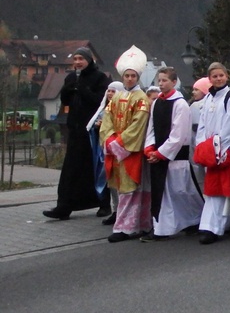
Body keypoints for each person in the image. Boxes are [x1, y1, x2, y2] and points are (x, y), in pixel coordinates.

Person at [43, 47, 111, 221]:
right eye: (75, 59)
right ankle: (64, 206)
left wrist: (83, 90)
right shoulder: (71, 77)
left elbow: (100, 102)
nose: (78, 62)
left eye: (81, 58)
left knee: (96, 167)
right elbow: (66, 101)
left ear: (89, 60)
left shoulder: (100, 78)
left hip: (93, 131)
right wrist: (67, 90)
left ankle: (103, 203)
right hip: (75, 130)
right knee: (70, 170)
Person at [141, 67, 203, 242]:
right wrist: (149, 148)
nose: (161, 84)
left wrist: (161, 153)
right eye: (159, 80)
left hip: (175, 156)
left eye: (164, 80)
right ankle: (162, 228)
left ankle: (196, 219)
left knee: (182, 192)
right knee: (164, 194)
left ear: (174, 82)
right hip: (159, 154)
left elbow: (179, 134)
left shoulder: (180, 104)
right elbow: (151, 128)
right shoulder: (157, 103)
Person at [194, 62, 230, 244]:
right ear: (209, 79)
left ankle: (212, 227)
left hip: (225, 151)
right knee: (228, 188)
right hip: (210, 149)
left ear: (226, 76)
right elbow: (202, 124)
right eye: (214, 76)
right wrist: (203, 145)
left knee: (218, 190)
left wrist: (217, 149)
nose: (218, 79)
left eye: (221, 75)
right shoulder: (208, 99)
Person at [99, 45, 152, 242]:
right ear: (122, 76)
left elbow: (139, 125)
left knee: (132, 189)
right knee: (123, 190)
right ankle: (134, 225)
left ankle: (126, 227)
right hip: (118, 149)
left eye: (133, 76)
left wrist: (119, 143)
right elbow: (107, 120)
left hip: (131, 151)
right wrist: (110, 139)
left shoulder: (142, 99)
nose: (129, 79)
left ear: (137, 77)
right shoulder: (117, 97)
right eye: (127, 75)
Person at [86, 80, 125, 226]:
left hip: (118, 150)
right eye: (108, 90)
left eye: (113, 91)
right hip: (104, 150)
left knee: (120, 182)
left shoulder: (122, 108)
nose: (110, 94)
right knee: (111, 182)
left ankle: (122, 211)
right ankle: (115, 210)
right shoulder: (104, 109)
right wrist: (97, 127)